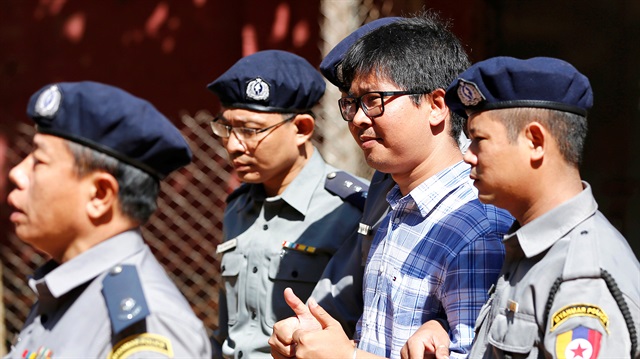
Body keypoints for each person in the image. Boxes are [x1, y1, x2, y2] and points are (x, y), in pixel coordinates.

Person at [270, 13, 514, 359]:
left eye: (373, 100)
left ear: (436, 105)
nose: (357, 118)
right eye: (351, 103)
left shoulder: (475, 228)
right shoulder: (398, 203)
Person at [444, 56, 640, 357]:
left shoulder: (582, 279)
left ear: (535, 141)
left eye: (478, 139)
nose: (468, 155)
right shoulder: (532, 246)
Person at [6, 81, 212, 358]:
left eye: (39, 161)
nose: (17, 174)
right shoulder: (68, 292)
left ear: (100, 195)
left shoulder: (147, 325)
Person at [206, 49, 368, 358]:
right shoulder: (238, 207)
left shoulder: (350, 210)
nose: (232, 145)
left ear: (302, 129)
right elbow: (230, 332)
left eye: (250, 130)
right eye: (226, 128)